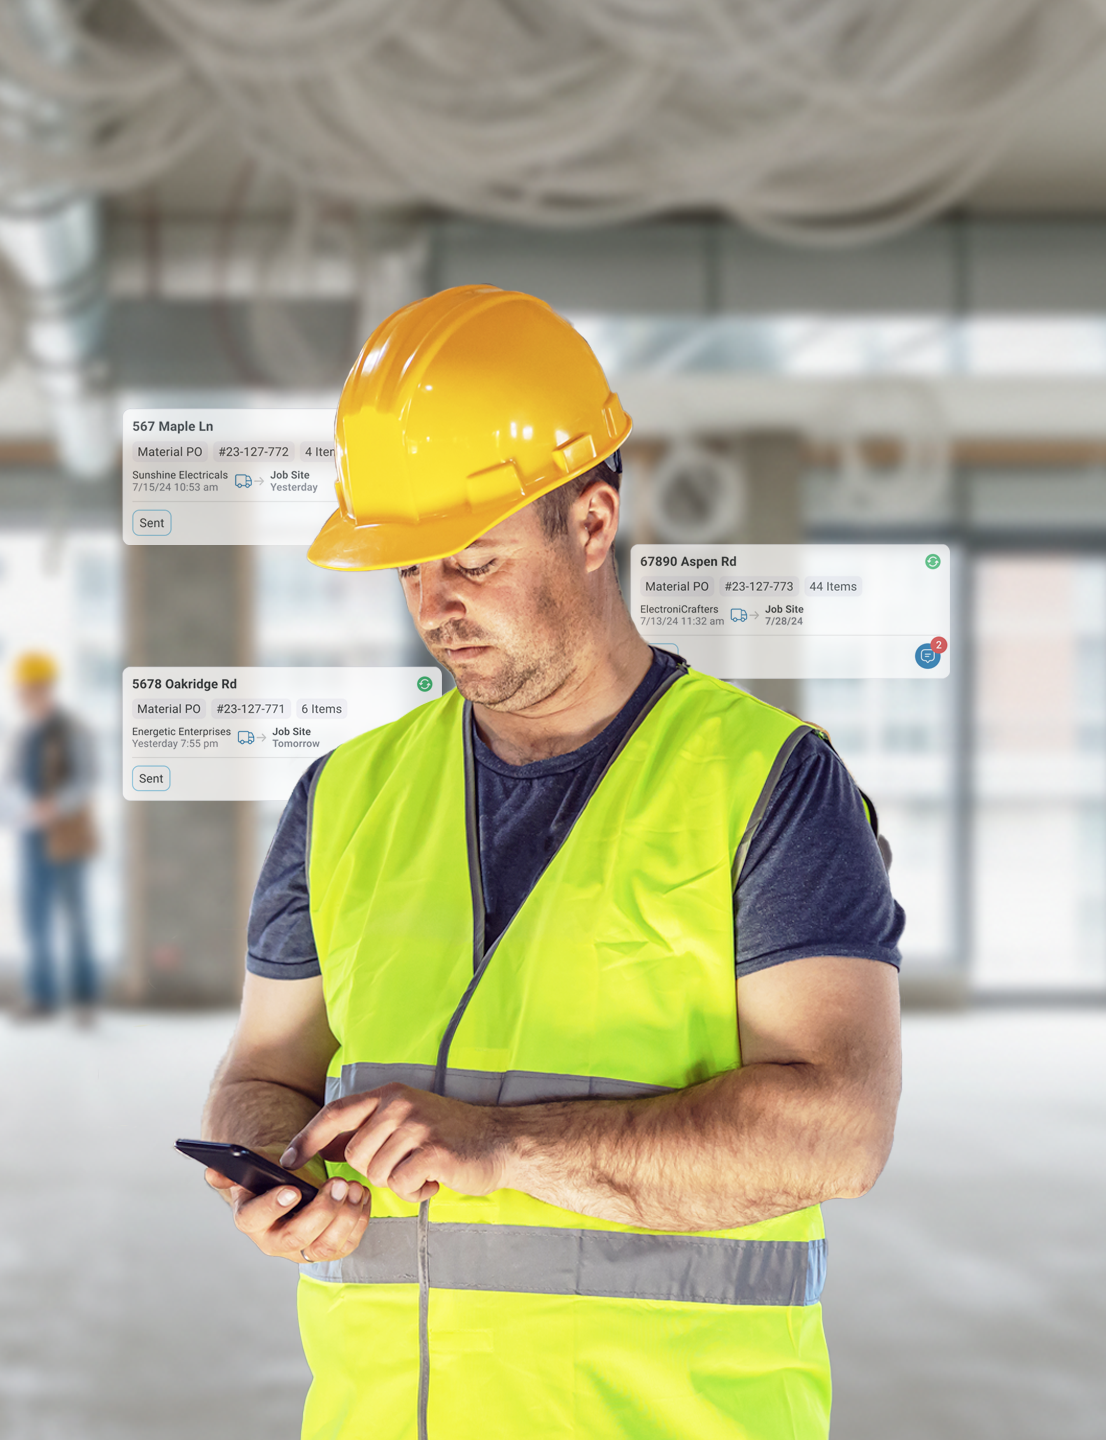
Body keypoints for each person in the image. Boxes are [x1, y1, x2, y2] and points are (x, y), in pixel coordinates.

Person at [199, 285, 904, 1440]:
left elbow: (840, 1132)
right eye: (411, 570)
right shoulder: (344, 798)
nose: (438, 607)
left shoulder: (766, 784)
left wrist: (501, 1149)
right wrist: (272, 1171)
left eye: (472, 560)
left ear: (591, 522)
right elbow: (265, 1067)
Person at [8, 651, 97, 1025]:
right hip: (31, 840)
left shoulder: (71, 729)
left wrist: (53, 807)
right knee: (35, 920)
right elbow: (13, 783)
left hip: (66, 839)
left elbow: (85, 780)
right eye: (24, 690)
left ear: (45, 688)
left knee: (75, 919)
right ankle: (41, 997)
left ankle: (84, 1000)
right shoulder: (25, 736)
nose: (27, 696)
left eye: (33, 688)